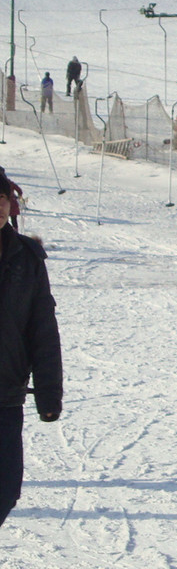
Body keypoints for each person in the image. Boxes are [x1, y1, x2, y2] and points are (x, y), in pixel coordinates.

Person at [0, 170, 62, 528]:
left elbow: (43, 330)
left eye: (2, 200)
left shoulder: (27, 258)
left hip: (6, 395)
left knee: (6, 490)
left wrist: (49, 394)